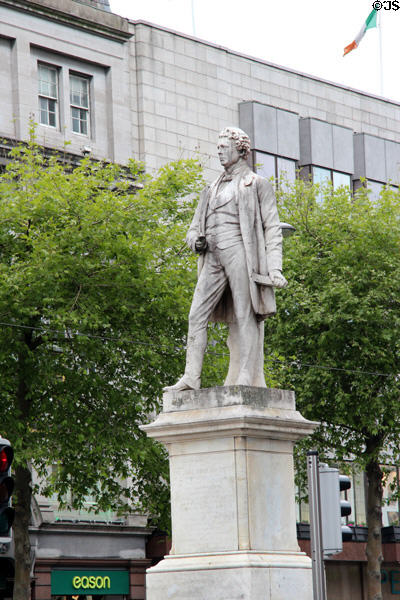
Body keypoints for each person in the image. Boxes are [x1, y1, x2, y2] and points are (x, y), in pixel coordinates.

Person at [164, 126, 287, 392]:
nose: (219, 151)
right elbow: (194, 227)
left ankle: (246, 375)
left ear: (241, 150)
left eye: (224, 147)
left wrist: (275, 268)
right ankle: (191, 377)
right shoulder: (210, 188)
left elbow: (272, 228)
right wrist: (194, 239)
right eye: (218, 147)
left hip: (240, 251)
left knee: (245, 314)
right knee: (196, 314)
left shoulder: (256, 184)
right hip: (212, 255)